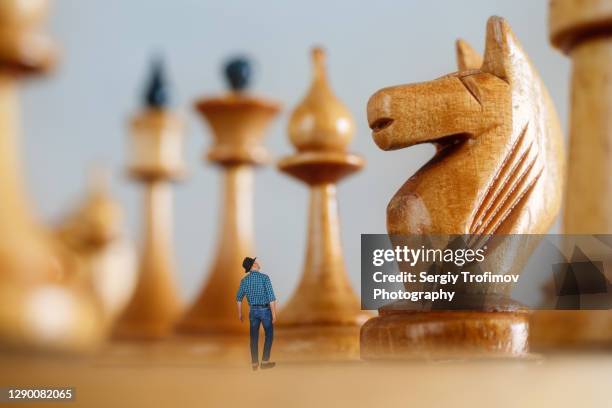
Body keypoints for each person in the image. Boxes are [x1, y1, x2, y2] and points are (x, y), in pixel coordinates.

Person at [236, 256, 278, 370]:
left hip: (253, 311)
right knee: (269, 335)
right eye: (256, 262)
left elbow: (239, 298)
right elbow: (271, 298)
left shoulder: (244, 281)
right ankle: (264, 362)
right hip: (265, 311)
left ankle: (255, 363)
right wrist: (274, 314)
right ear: (253, 265)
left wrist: (240, 314)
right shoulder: (265, 278)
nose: (258, 263)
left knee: (253, 337)